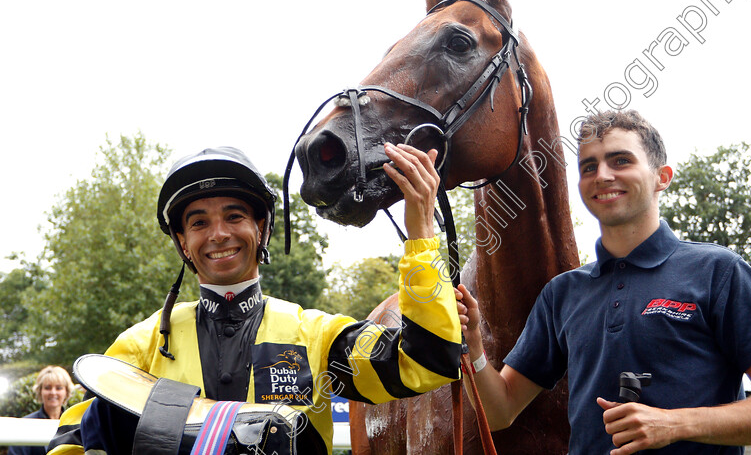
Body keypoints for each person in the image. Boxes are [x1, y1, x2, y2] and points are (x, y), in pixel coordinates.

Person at [48, 143, 461, 454]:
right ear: (183, 242)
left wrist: (422, 234)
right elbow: (71, 441)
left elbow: (426, 362)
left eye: (234, 216)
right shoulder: (139, 345)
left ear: (261, 229)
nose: (219, 234)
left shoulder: (314, 335)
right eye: (199, 222)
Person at [455, 110, 751, 454]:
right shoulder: (562, 293)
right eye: (588, 166)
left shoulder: (720, 272)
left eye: (620, 160)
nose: (602, 175)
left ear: (662, 176)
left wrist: (674, 425)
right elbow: (499, 412)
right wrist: (474, 349)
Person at [9, 366, 75, 455]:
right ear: (40, 391)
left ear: (66, 392)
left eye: (59, 388)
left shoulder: (75, 424)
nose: (53, 392)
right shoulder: (25, 425)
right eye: (47, 388)